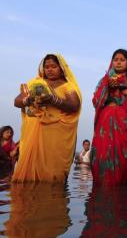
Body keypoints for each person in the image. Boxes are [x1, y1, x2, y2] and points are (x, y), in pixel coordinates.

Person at [13, 54, 81, 182]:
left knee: (53, 176)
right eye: (47, 67)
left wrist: (52, 99)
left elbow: (74, 106)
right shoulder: (35, 83)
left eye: (53, 66)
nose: (49, 69)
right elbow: (17, 101)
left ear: (62, 69)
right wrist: (28, 100)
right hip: (33, 133)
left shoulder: (68, 86)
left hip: (55, 137)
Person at [91, 49, 127, 186]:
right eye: (116, 59)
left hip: (124, 124)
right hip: (105, 122)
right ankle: (102, 190)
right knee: (102, 157)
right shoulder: (104, 80)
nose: (118, 62)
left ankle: (122, 197)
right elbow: (95, 101)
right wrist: (107, 89)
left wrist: (124, 89)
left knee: (124, 162)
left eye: (122, 60)